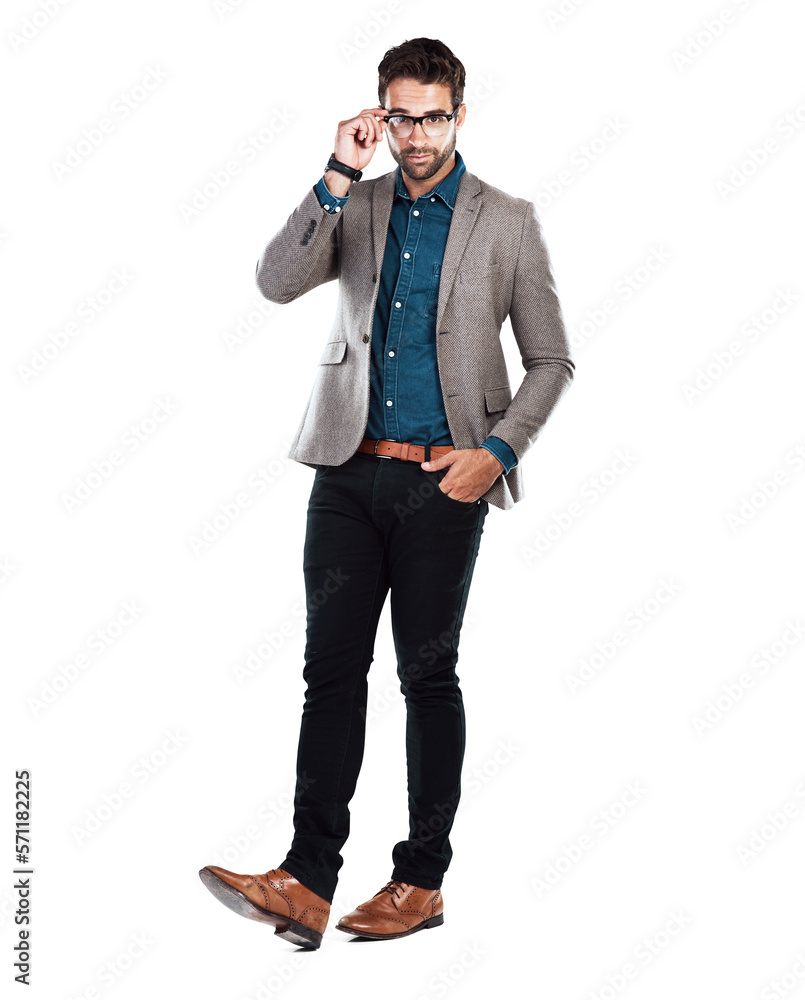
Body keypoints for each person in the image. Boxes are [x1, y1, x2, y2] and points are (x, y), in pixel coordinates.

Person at [199, 36, 574, 949]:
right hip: (344, 467)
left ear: (458, 113)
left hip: (444, 482)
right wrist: (334, 170)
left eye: (431, 116)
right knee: (329, 675)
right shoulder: (358, 205)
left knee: (425, 676)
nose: (414, 135)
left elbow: (552, 359)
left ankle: (420, 882)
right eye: (399, 116)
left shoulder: (508, 220)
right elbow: (274, 282)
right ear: (380, 113)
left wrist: (494, 450)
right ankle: (304, 880)